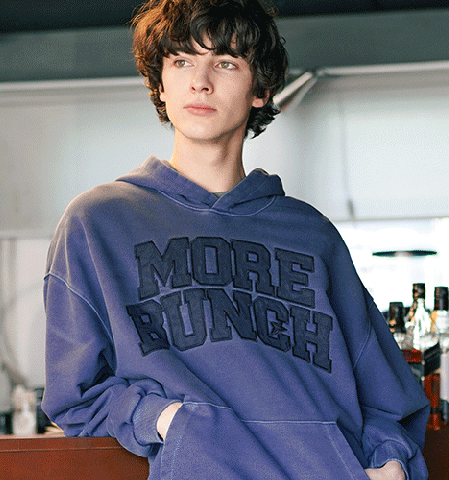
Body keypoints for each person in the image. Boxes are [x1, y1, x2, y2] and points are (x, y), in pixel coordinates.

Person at [41, 0, 430, 478]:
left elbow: (389, 398)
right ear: (160, 84)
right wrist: (167, 420)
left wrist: (390, 462)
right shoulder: (99, 222)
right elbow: (76, 395)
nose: (200, 81)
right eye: (181, 61)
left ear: (260, 89)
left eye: (225, 63)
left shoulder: (311, 234)